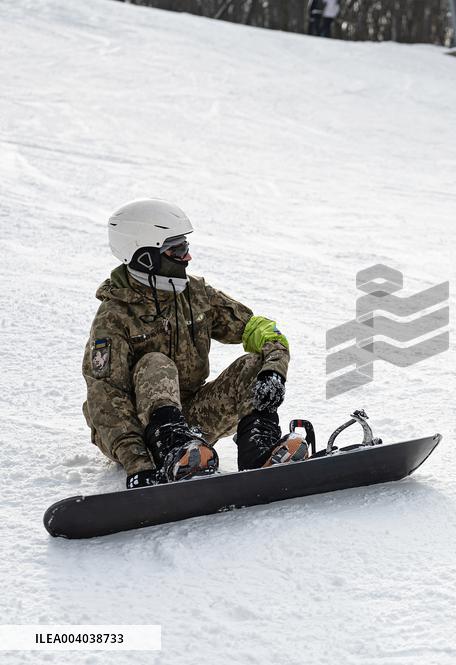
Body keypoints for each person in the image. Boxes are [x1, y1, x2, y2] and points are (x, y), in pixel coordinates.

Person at [83, 199, 309, 488]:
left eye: (185, 246)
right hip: (136, 432)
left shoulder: (195, 295)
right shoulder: (115, 316)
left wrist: (274, 370)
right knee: (155, 363)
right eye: (176, 249)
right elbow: (105, 399)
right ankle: (172, 450)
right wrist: (138, 462)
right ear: (145, 256)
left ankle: (259, 452)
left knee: (255, 363)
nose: (187, 257)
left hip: (190, 422)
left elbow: (258, 328)